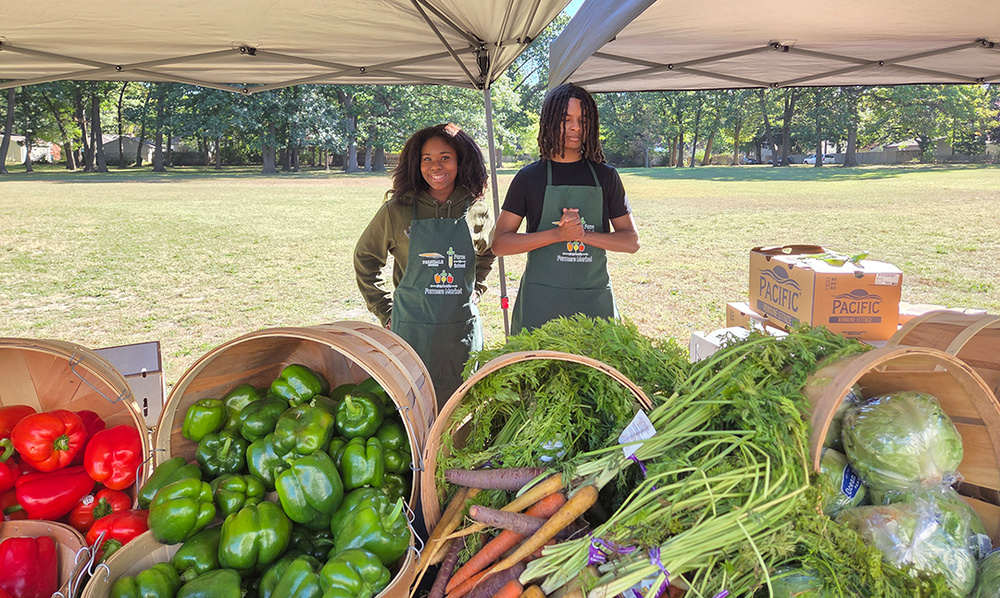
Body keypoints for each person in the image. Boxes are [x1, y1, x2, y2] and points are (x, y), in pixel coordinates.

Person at [354, 123, 495, 405]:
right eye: (426, 159)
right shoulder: (397, 211)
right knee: (413, 403)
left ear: (460, 160)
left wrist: (476, 290)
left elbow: (488, 252)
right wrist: (384, 310)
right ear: (416, 164)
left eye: (445, 157)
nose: (435, 166)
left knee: (462, 405)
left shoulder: (476, 208)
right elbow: (365, 259)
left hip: (461, 330)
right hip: (411, 329)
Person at [492, 83, 639, 333]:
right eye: (566, 119)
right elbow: (500, 244)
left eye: (583, 119)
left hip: (594, 303)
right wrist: (557, 235)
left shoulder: (605, 176)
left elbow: (631, 242)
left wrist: (584, 235)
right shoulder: (529, 178)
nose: (575, 127)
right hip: (540, 304)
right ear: (550, 122)